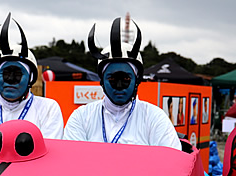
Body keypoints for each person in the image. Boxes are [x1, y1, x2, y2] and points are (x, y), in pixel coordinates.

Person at [64, 18, 181, 150]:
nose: (119, 86)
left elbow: (172, 162)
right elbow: (72, 160)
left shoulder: (155, 118)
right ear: (101, 81)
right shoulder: (81, 117)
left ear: (137, 80)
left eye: (126, 79)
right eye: (112, 79)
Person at [0, 13, 64, 140]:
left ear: (30, 80)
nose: (11, 80)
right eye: (6, 73)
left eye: (18, 74)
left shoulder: (48, 108)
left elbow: (51, 150)